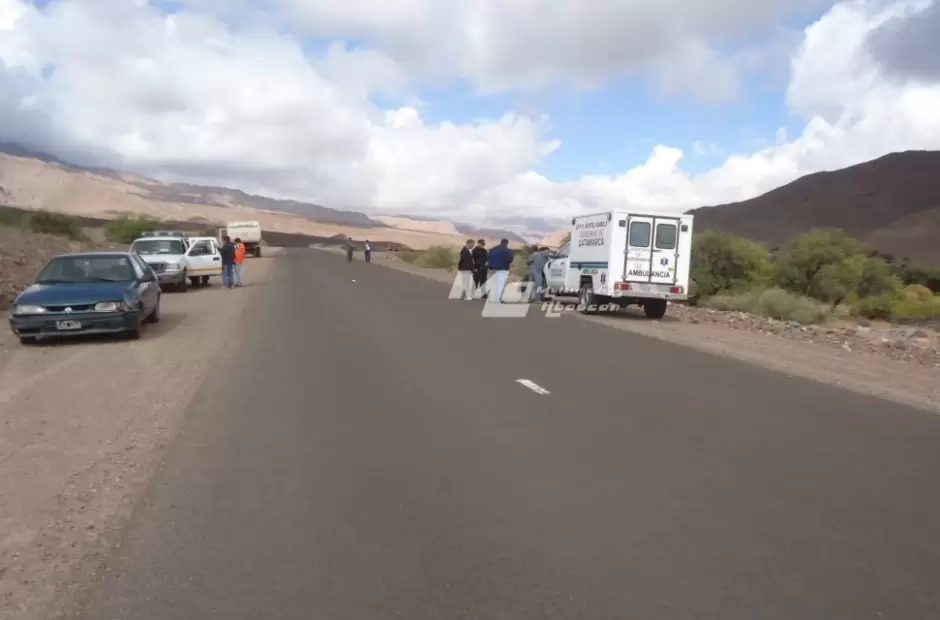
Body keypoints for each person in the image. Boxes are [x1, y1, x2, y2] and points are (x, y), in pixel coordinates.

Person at [486, 238, 514, 303]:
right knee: (501, 284)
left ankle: (492, 298)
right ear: (506, 243)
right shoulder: (508, 251)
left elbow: (488, 258)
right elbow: (510, 259)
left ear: (500, 242)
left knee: (494, 284)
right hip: (503, 269)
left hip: (493, 269)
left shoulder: (492, 249)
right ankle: (498, 299)